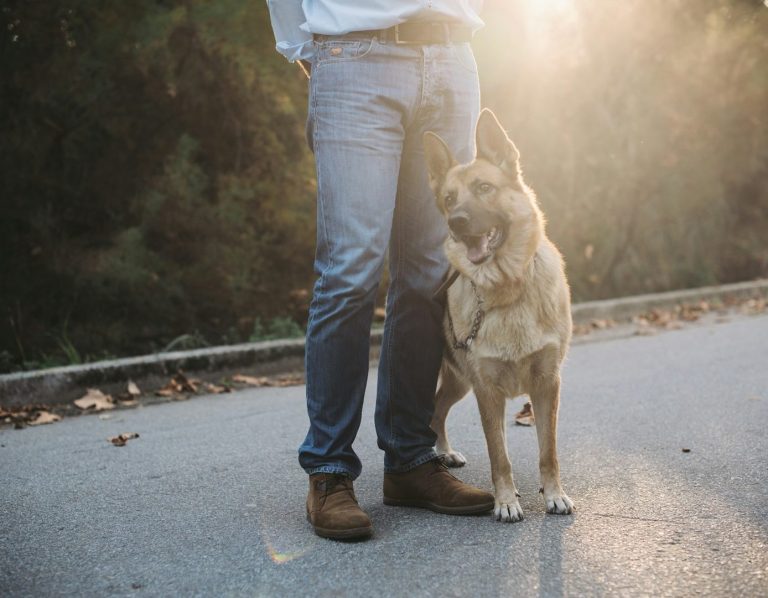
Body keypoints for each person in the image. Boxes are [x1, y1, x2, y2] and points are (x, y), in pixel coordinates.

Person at [267, 0, 493, 540]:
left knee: (427, 274)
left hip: (451, 56)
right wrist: (309, 49)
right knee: (351, 268)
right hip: (353, 57)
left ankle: (411, 460)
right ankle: (328, 470)